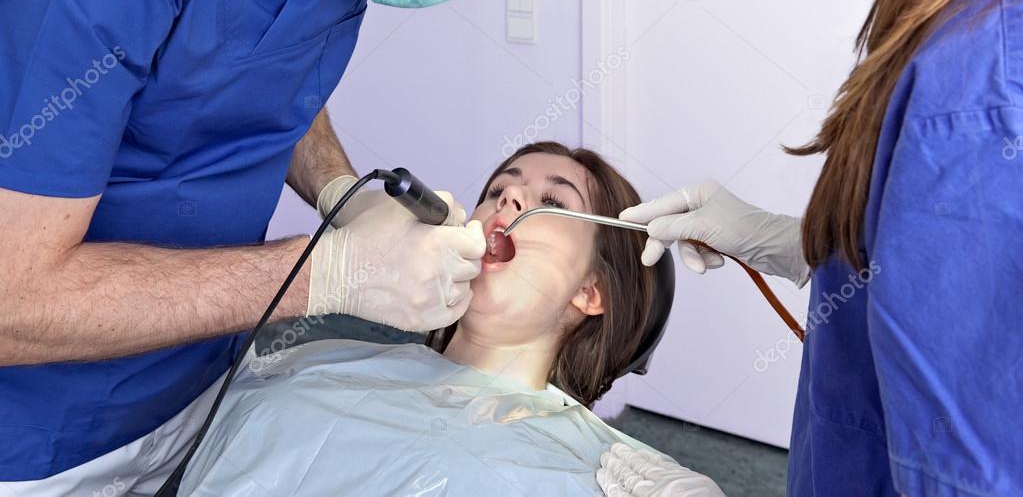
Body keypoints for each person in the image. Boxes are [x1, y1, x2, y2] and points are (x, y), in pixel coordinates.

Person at [0, 0, 569, 488]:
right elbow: (13, 301)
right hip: (42, 437)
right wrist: (324, 277)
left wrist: (341, 193)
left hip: (203, 384)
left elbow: (252, 68)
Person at [599, 0, 1023, 496]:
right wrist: (805, 246)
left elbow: (972, 466)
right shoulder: (967, 10)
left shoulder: (986, 77)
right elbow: (958, 277)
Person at [170, 142, 724, 495]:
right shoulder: (314, 357)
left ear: (591, 292)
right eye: (498, 189)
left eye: (550, 202)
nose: (505, 199)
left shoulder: (612, 474)